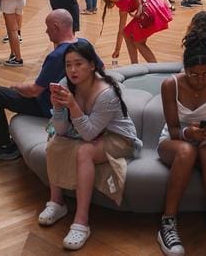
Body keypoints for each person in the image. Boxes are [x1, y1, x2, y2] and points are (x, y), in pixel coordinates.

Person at [41, 41, 142, 250]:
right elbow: (60, 130)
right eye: (68, 65)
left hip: (119, 138)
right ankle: (57, 202)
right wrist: (57, 107)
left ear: (93, 65)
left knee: (85, 152)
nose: (72, 70)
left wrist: (72, 106)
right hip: (88, 133)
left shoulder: (107, 93)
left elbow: (88, 135)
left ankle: (81, 221)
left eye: (79, 64)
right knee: (54, 142)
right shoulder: (66, 83)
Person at [0, 10, 98, 161]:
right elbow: (100, 70)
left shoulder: (57, 56)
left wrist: (16, 86)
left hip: (48, 106)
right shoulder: (84, 44)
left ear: (56, 27)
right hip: (76, 105)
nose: (46, 31)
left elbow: (34, 91)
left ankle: (3, 146)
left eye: (48, 27)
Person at [156, 32, 206, 256]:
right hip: (176, 140)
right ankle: (167, 223)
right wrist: (191, 133)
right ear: (184, 69)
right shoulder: (170, 85)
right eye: (194, 74)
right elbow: (173, 129)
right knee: (188, 151)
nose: (200, 79)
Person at [101, 0, 171, 64]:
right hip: (154, 5)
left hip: (149, 8)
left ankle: (155, 68)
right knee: (127, 33)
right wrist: (117, 49)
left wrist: (139, 4)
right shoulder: (122, 6)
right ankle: (134, 65)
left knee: (138, 42)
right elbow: (121, 30)